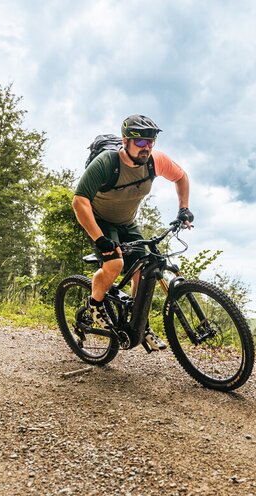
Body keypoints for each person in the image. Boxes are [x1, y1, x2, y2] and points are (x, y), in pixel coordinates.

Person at [72, 114, 193, 344]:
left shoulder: (155, 161)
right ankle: (95, 305)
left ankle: (139, 323)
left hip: (127, 222)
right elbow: (79, 202)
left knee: (144, 269)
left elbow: (181, 177)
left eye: (151, 142)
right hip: (100, 220)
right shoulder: (107, 163)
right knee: (114, 263)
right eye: (140, 141)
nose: (146, 147)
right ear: (125, 141)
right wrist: (100, 239)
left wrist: (184, 209)